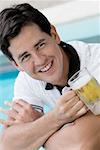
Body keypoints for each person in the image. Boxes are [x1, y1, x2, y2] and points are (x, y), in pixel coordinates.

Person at [0, 3, 100, 150]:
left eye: (40, 45)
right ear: (17, 65)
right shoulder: (26, 81)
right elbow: (8, 146)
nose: (40, 61)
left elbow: (82, 145)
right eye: (26, 56)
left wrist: (37, 122)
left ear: (54, 34)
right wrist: (55, 118)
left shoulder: (95, 62)